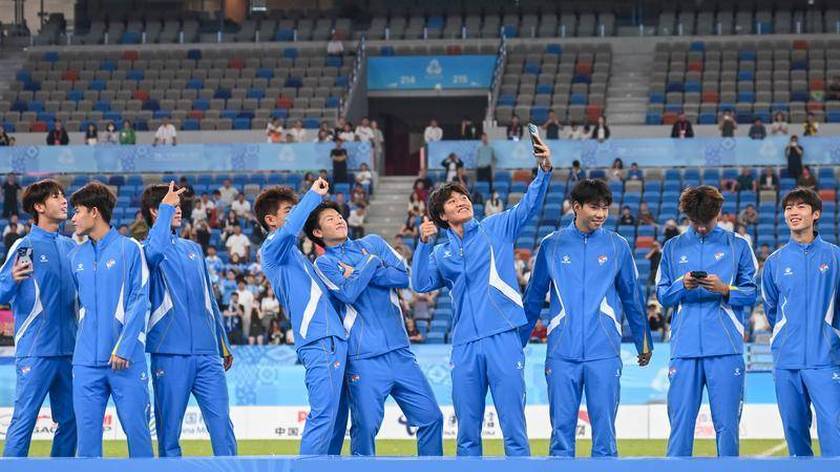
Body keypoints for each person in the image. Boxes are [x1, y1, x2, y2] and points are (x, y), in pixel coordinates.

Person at [411, 132, 552, 457]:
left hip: (503, 336)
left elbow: (529, 205)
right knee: (467, 435)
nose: (462, 201)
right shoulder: (441, 253)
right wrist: (423, 245)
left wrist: (544, 169)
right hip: (464, 345)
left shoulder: (496, 227)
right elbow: (420, 283)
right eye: (452, 201)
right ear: (442, 216)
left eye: (463, 197)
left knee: (513, 429)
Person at [522, 179, 652, 457]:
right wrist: (517, 341)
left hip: (604, 352)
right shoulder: (551, 245)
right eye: (594, 207)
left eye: (605, 208)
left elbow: (632, 297)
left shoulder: (617, 246)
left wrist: (644, 342)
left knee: (605, 436)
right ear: (576, 207)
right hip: (561, 351)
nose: (601, 214)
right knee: (561, 437)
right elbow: (533, 299)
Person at [306, 201, 443, 456]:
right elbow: (348, 293)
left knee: (432, 418)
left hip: (401, 352)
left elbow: (405, 277)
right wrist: (372, 263)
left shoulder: (374, 242)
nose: (339, 220)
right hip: (363, 357)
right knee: (365, 428)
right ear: (317, 232)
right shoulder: (323, 264)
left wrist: (359, 271)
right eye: (330, 219)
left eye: (339, 215)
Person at [655, 185, 757, 457]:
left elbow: (752, 293)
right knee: (680, 426)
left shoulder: (738, 245)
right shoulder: (672, 247)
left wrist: (725, 289)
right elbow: (662, 296)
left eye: (706, 221)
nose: (700, 227)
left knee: (727, 427)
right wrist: (682, 285)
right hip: (684, 348)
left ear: (719, 212)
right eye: (694, 221)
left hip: (725, 347)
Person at [140, 183, 236, 457]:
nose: (179, 210)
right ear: (155, 211)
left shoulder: (193, 248)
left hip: (207, 353)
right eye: (173, 205)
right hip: (169, 352)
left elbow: (209, 299)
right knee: (169, 432)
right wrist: (166, 209)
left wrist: (223, 344)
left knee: (222, 426)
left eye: (179, 206)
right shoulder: (145, 249)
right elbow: (155, 252)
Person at [255, 178, 348, 455]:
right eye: (289, 211)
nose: (296, 215)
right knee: (324, 414)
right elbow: (289, 231)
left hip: (333, 338)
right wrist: (313, 196)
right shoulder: (272, 249)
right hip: (318, 339)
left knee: (336, 418)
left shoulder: (295, 256)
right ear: (271, 220)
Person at [68, 182, 153, 457]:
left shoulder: (130, 249)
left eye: (77, 211)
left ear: (94, 212)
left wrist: (124, 348)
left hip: (125, 361)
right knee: (86, 447)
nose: (73, 218)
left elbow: (140, 301)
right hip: (85, 364)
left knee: (139, 440)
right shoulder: (75, 256)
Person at [761, 187, 840, 457]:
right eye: (788, 208)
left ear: (816, 214)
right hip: (786, 361)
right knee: (795, 434)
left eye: (801, 206)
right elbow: (771, 309)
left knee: (834, 431)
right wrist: (786, 337)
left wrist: (831, 336)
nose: (793, 212)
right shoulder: (775, 262)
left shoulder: (835, 257)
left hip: (825, 360)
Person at [0, 180, 77, 457]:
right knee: (25, 420)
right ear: (39, 207)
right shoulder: (26, 246)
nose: (64, 201)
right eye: (56, 196)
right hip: (36, 351)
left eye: (63, 195)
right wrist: (10, 279)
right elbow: (1, 292)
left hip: (69, 351)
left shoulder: (71, 247)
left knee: (71, 421)